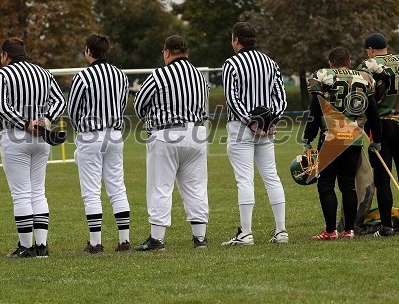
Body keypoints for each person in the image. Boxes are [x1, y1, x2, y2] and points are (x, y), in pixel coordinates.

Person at [0, 37, 66, 258]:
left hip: (15, 136)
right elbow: (60, 101)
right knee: (38, 192)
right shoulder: (44, 73)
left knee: (21, 194)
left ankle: (25, 246)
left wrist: (25, 123)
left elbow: (1, 107)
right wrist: (44, 121)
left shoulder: (2, 75)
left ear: (6, 55)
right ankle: (41, 246)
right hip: (41, 137)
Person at [134, 35, 210, 251]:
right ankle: (200, 238)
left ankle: (156, 239)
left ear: (167, 52)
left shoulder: (159, 75)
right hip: (196, 132)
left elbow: (139, 105)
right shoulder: (199, 76)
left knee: (161, 186)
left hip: (166, 134)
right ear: (186, 52)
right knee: (196, 186)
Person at [221, 22, 288, 246]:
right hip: (267, 128)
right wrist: (272, 120)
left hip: (241, 127)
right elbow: (280, 97)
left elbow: (232, 98)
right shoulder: (270, 63)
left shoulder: (231, 63)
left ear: (236, 40)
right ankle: (281, 230)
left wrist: (251, 121)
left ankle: (246, 233)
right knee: (271, 176)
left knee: (244, 179)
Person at [304, 46, 382, 240]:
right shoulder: (363, 78)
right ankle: (349, 230)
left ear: (330, 63)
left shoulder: (322, 76)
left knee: (326, 184)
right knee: (348, 185)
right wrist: (377, 139)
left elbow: (315, 110)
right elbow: (373, 113)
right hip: (353, 136)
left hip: (330, 136)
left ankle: (330, 231)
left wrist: (308, 137)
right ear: (349, 62)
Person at [68, 34, 131, 254]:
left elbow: (73, 109)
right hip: (114, 134)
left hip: (90, 134)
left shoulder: (83, 76)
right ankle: (124, 241)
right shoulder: (120, 75)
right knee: (117, 187)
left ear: (88, 51)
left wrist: (80, 129)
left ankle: (95, 243)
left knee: (91, 191)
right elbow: (122, 103)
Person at [357, 33, 398, 237]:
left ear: (371, 49)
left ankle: (387, 227)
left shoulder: (369, 65)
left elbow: (361, 91)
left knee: (383, 179)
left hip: (382, 124)